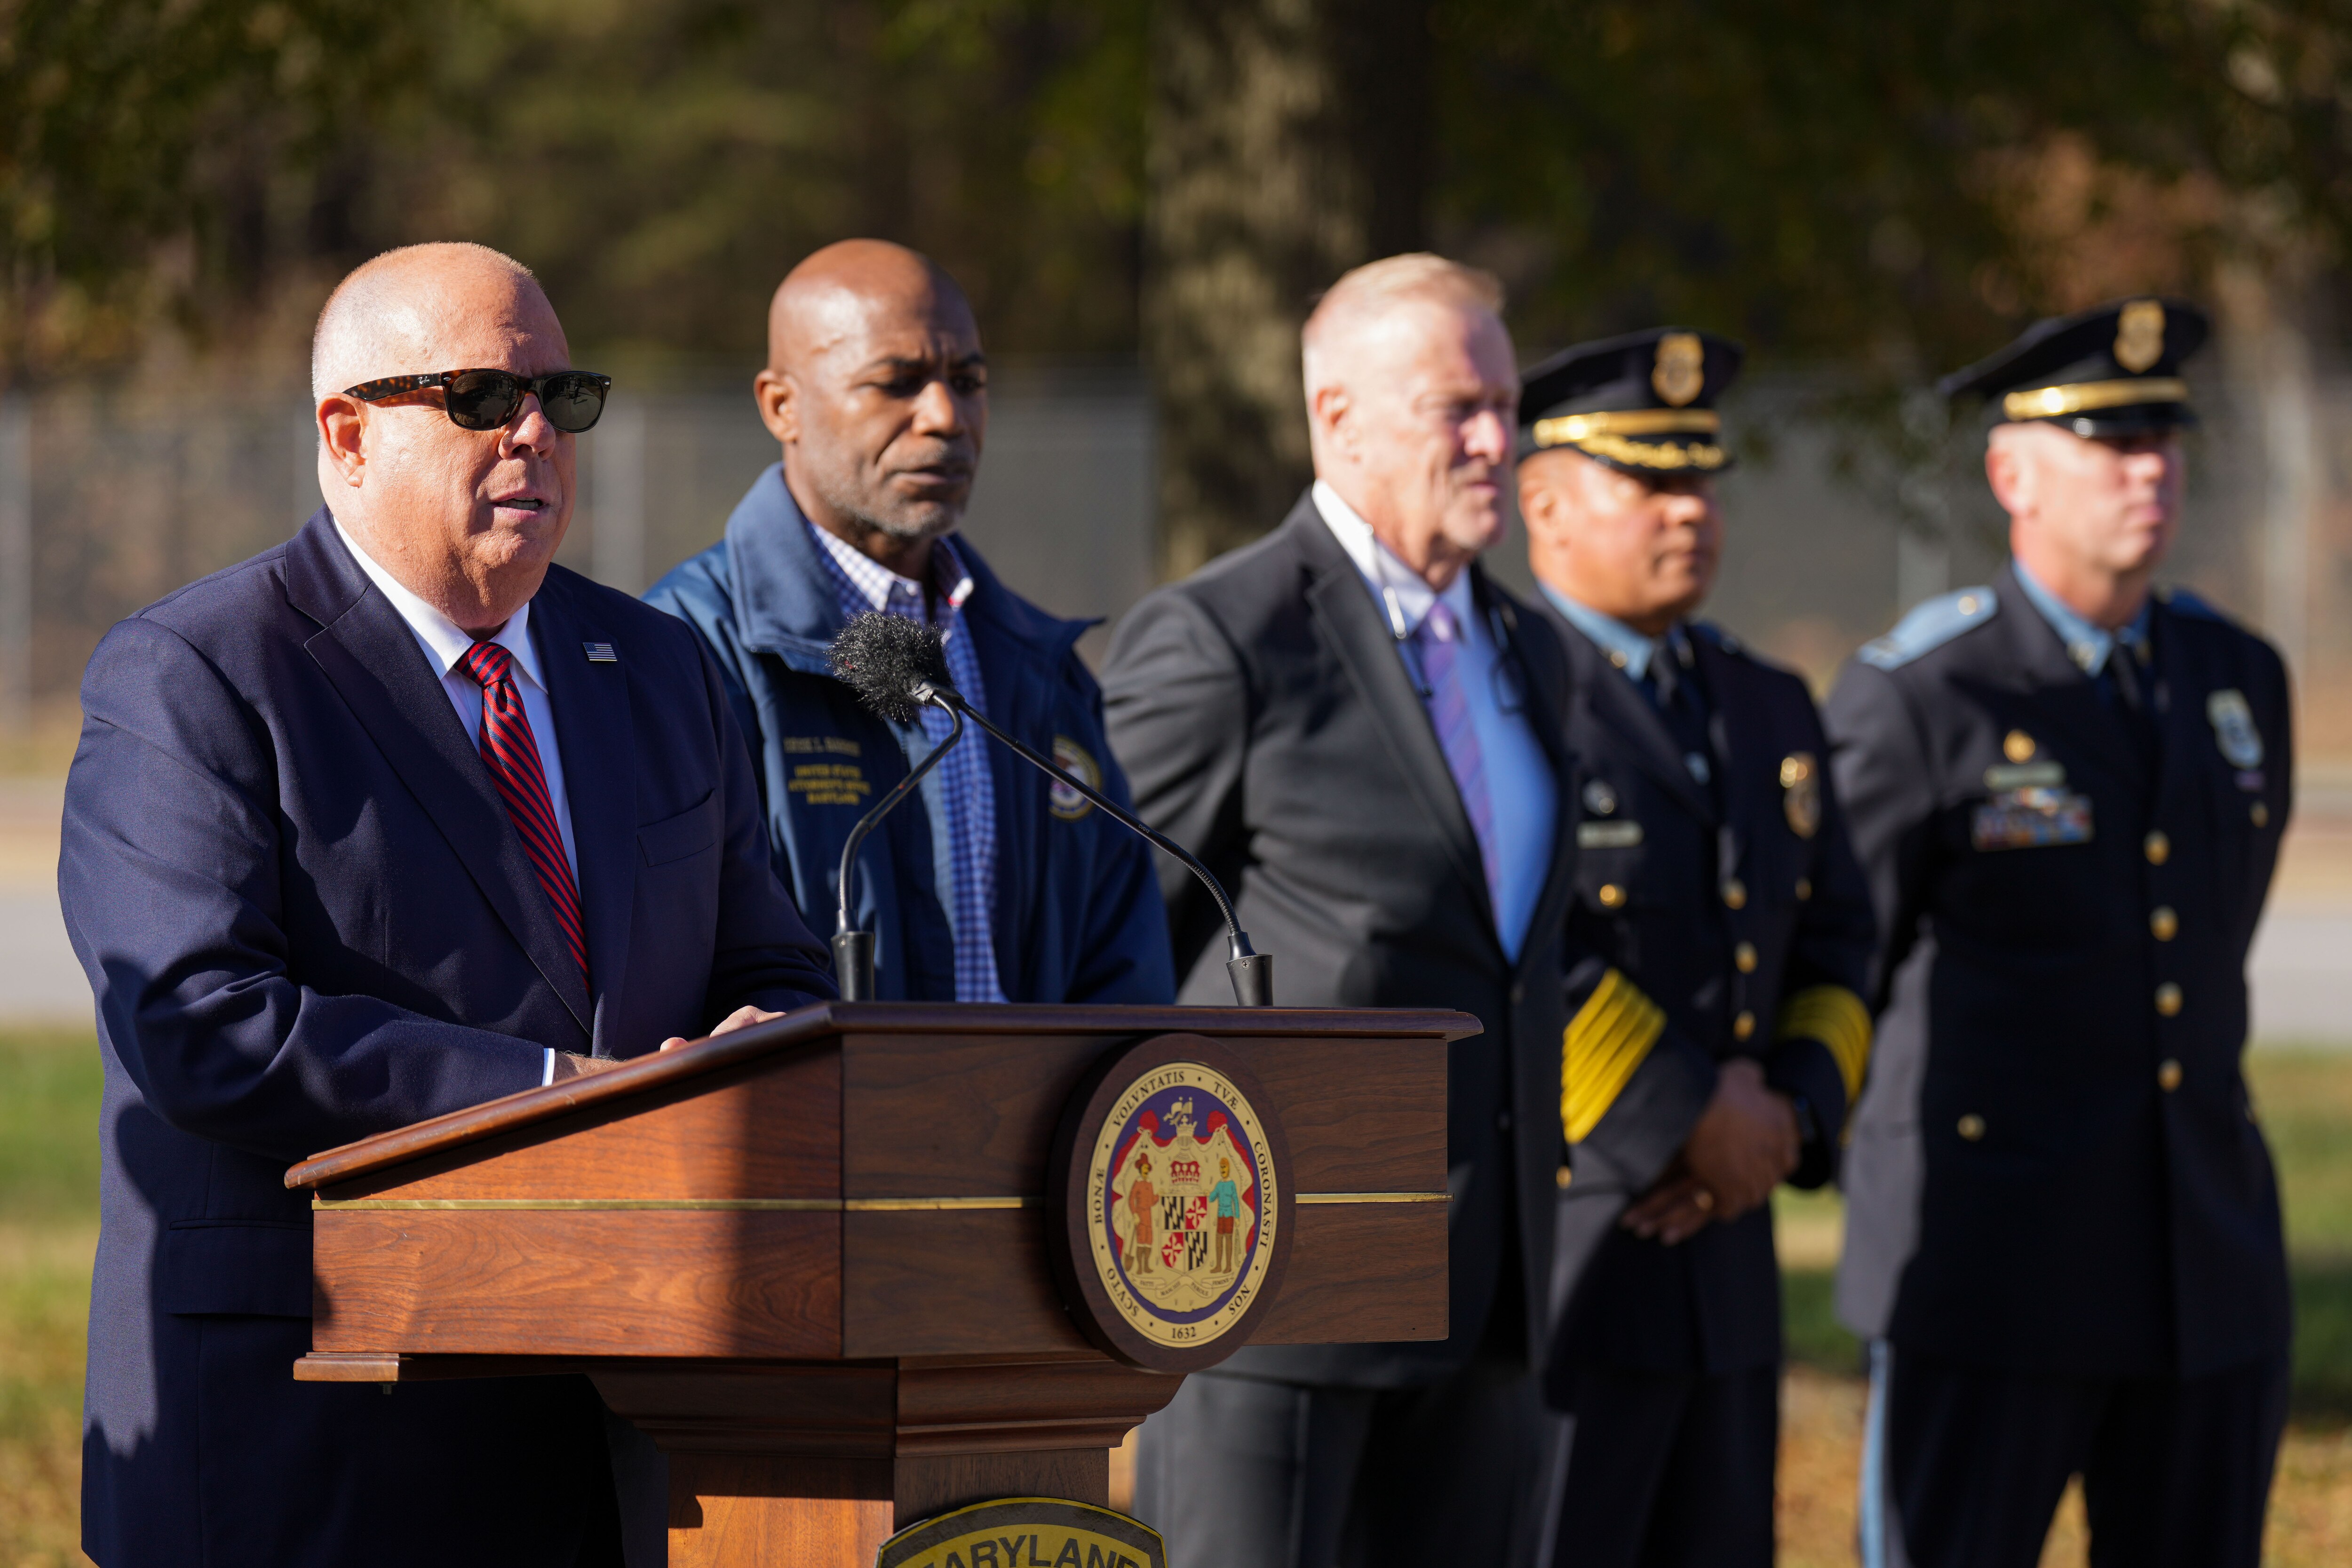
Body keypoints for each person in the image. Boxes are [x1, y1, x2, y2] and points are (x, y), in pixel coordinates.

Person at [63, 242, 837, 1568]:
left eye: (561, 396)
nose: (534, 431)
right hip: (319, 1424)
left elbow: (766, 955)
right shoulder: (198, 673)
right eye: (480, 396)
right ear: (347, 433)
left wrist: (768, 1045)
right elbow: (200, 1019)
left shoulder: (653, 664)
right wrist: (560, 1090)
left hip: (632, 1418)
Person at [1104, 254, 1571, 1568]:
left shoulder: (1533, 652)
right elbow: (1106, 945)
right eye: (1456, 407)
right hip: (1278, 1303)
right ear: (1339, 416)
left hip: (1493, 1310)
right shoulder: (1226, 639)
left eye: (1505, 402)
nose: (1495, 440)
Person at [1823, 297, 2292, 1568]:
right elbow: (1841, 965)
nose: (2149, 468)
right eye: (2106, 438)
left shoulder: (2234, 674)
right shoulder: (1927, 692)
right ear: (2010, 470)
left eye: (2163, 437)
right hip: (1991, 1276)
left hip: (2202, 1267)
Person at [1514, 329, 1876, 1567]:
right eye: (1650, 481)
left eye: (1704, 480)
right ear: (1544, 500)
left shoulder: (1765, 697)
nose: (1692, 512)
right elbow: (1509, 940)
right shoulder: (1499, 686)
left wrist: (1788, 1111)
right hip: (1573, 1258)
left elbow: (1840, 931)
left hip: (1726, 1265)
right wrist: (1678, 1111)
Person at [645, 239, 1172, 1005]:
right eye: (897, 383)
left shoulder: (1038, 664)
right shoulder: (688, 648)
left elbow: (1124, 972)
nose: (945, 416)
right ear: (780, 406)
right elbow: (685, 978)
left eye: (970, 381)